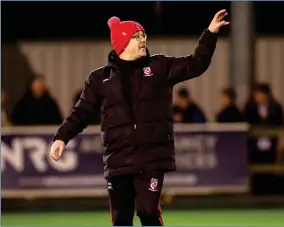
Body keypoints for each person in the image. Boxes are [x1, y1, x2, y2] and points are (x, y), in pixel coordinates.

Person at [49, 10, 229, 226]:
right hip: (118, 158)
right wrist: (62, 137)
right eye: (136, 36)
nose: (143, 39)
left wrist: (209, 33)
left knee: (148, 211)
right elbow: (81, 112)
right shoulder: (99, 79)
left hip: (152, 157)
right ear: (122, 42)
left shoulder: (160, 67)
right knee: (121, 219)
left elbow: (196, 64)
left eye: (143, 35)